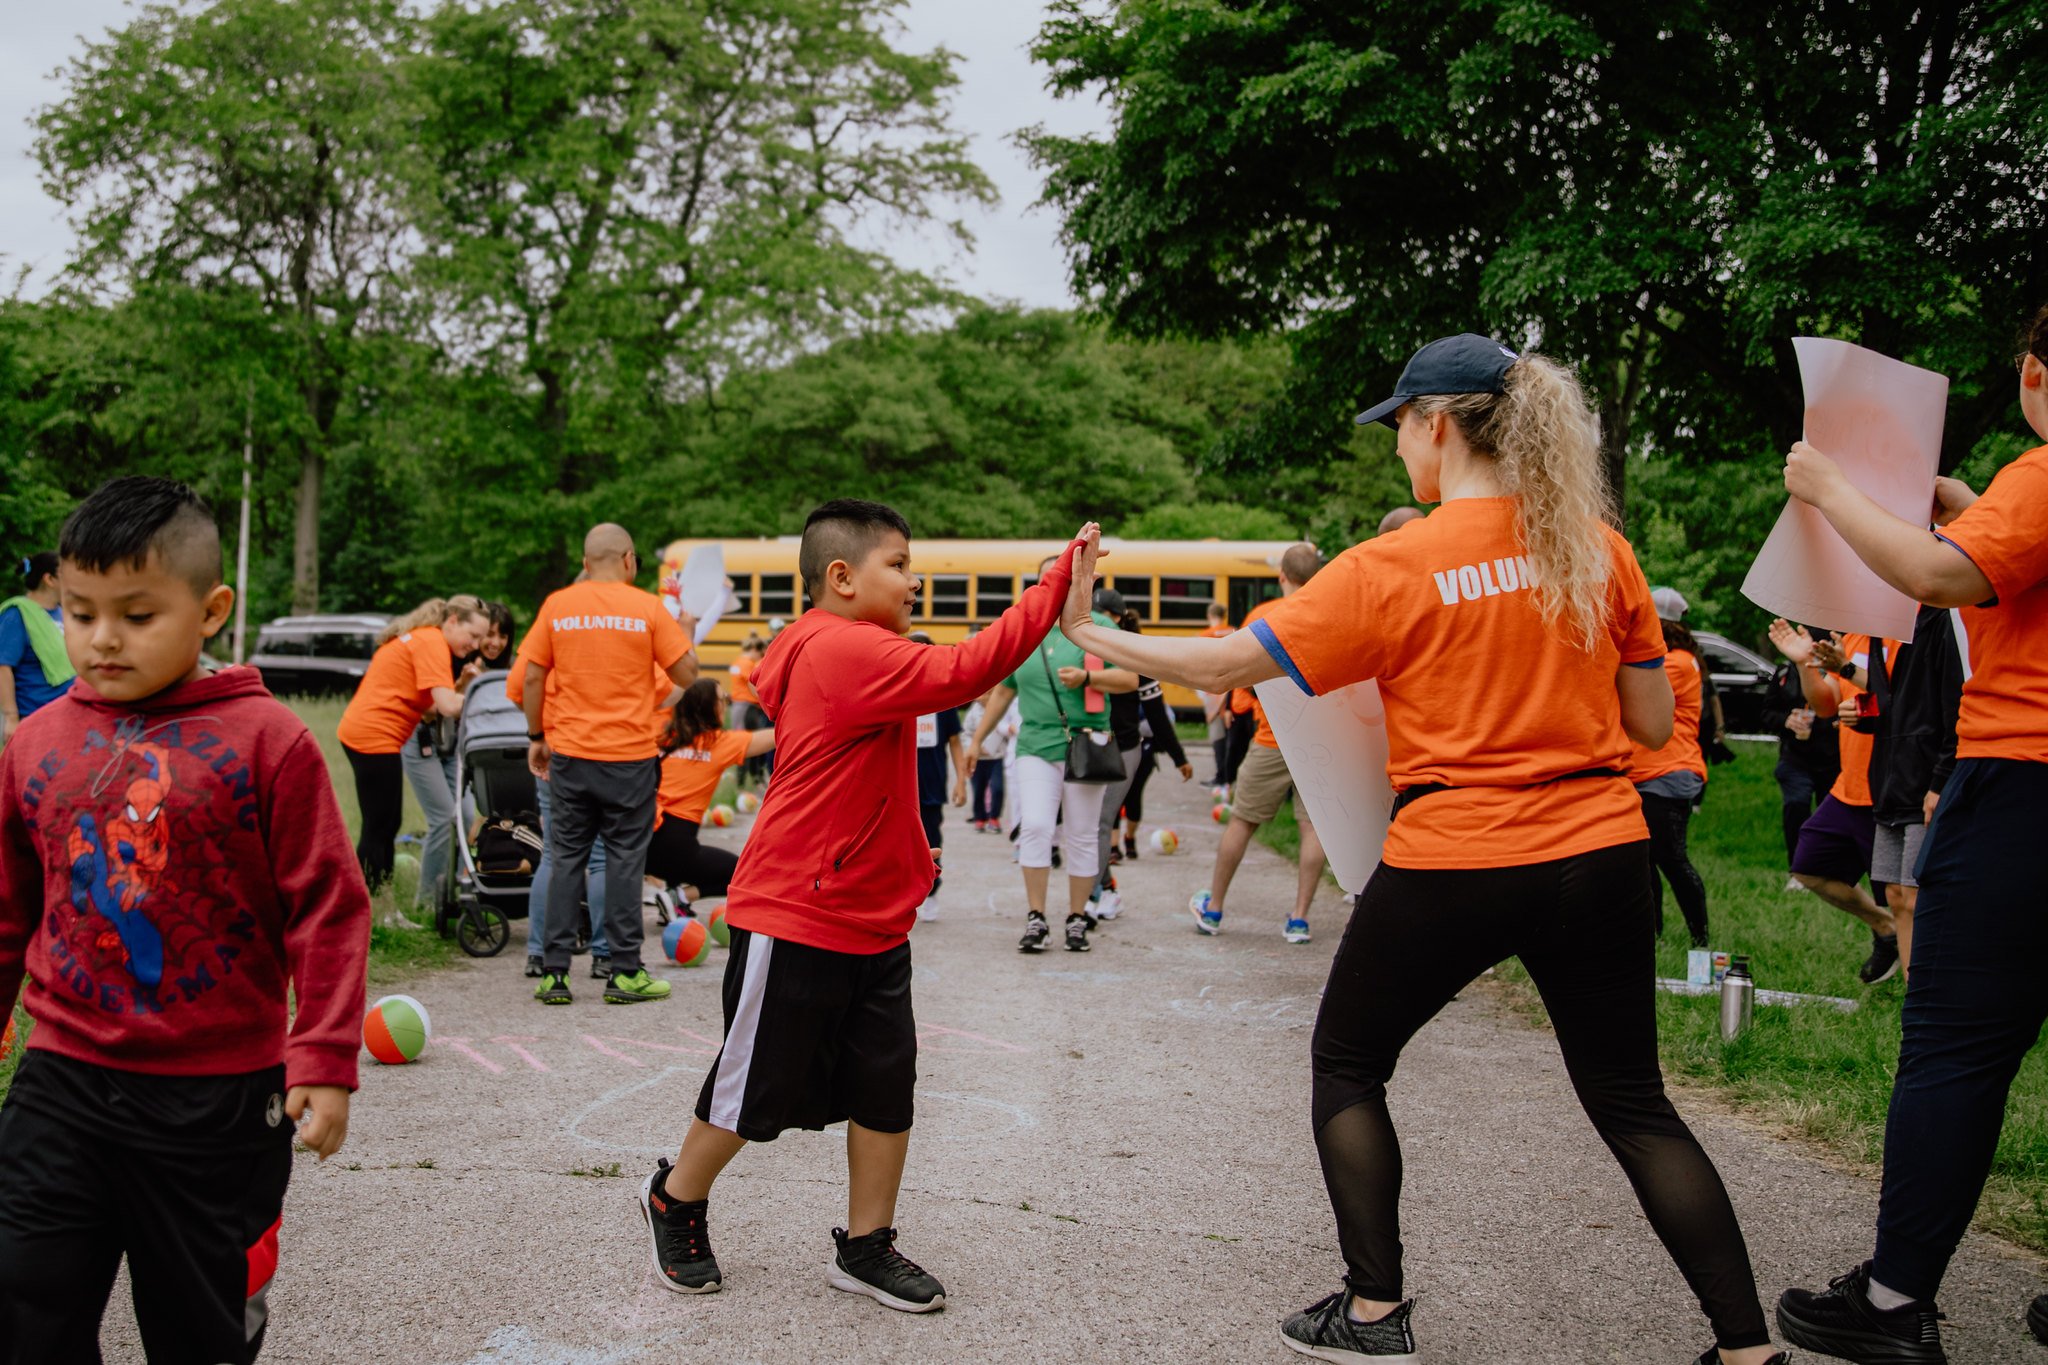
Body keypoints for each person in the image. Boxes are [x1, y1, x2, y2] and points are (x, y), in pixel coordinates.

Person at [1056, 335, 1786, 1365]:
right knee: (1631, 1102)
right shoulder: (1595, 550)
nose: (1398, 447)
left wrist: (1088, 633)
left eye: (1397, 426)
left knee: (1348, 1063)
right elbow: (1645, 717)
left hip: (1457, 852)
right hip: (1598, 850)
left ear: (1434, 424)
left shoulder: (1390, 567)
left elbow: (1223, 662)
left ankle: (1370, 1310)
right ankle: (1747, 1350)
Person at [635, 501, 1097, 1313]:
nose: (913, 581)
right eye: (899, 565)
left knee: (887, 1086)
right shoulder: (839, 645)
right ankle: (676, 1197)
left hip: (872, 914)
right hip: (796, 911)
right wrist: (1053, 581)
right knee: (752, 1089)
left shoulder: (850, 645)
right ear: (841, 578)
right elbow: (967, 668)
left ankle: (867, 1246)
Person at [0, 476, 370, 1364]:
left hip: (216, 1102)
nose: (102, 638)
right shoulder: (35, 742)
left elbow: (327, 903)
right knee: (24, 1310)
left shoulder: (268, 739)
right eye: (81, 613)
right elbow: (10, 905)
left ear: (210, 610)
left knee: (196, 1330)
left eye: (136, 613)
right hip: (62, 1079)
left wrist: (321, 1053)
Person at [1773, 304, 2048, 1362]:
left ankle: (1889, 1306)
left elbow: (1934, 577)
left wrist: (1829, 488)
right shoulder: (2019, 499)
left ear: (2032, 372)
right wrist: (1977, 508)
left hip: (2021, 786)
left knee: (1955, 1052)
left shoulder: (2041, 471)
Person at [524, 524, 696, 1007]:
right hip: (629, 759)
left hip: (572, 756)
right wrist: (683, 635)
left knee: (565, 858)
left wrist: (537, 737)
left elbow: (533, 675)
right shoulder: (646, 608)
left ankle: (553, 973)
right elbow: (687, 674)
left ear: (585, 562)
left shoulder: (558, 605)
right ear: (629, 560)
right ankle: (623, 972)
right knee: (623, 862)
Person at [966, 557, 1134, 954]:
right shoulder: (1028, 632)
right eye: (1049, 578)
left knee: (1081, 833)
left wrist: (1089, 678)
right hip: (1035, 746)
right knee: (1036, 826)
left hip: (1085, 746)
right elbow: (1004, 691)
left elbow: (1128, 679)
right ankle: (1036, 917)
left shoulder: (1100, 628)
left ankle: (1077, 918)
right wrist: (977, 741)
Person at [1188, 543, 1331, 945]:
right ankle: (1299, 919)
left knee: (1242, 820)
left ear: (1282, 576)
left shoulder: (1263, 616)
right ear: (1316, 574)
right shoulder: (1331, 609)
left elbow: (1240, 673)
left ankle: (1213, 908)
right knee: (1312, 827)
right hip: (1321, 741)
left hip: (1272, 737)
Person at [1770, 621, 1901, 983]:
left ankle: (1924, 996)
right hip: (1850, 788)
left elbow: (1904, 697)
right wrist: (1804, 664)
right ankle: (1884, 928)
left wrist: (1847, 671)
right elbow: (1826, 705)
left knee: (1907, 898)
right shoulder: (1855, 635)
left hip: (1897, 789)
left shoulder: (1909, 634)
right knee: (1808, 867)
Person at [336, 598, 489, 891]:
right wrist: (495, 695)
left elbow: (431, 708)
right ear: (453, 620)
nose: (476, 645)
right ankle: (371, 905)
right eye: (473, 636)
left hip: (371, 734)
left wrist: (463, 690)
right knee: (378, 828)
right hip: (374, 737)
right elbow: (446, 706)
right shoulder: (431, 643)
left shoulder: (425, 639)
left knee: (387, 825)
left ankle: (379, 903)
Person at [1856, 606, 1962, 981]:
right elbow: (1881, 704)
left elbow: (1955, 703)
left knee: (1918, 895)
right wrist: (1858, 712)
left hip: (1925, 779)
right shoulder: (1878, 624)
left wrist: (1940, 781)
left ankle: (1930, 989)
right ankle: (1910, 989)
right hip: (1887, 780)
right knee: (1895, 894)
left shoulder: (1938, 618)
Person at [647, 679, 775, 904]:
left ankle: (666, 886)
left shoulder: (661, 735)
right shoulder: (718, 744)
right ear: (708, 706)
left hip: (641, 839)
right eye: (722, 699)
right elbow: (776, 736)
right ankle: (679, 897)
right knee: (742, 874)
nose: (726, 703)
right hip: (677, 844)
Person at [1629, 608, 1712, 947]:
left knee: (1670, 857)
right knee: (1647, 859)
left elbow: (1630, 690)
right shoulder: (1680, 658)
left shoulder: (1676, 662)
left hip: (1668, 771)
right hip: (1648, 771)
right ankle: (1653, 933)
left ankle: (1701, 939)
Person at [1759, 625, 1841, 885]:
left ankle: (1829, 868)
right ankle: (1798, 870)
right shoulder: (1785, 672)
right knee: (1796, 806)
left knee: (1828, 814)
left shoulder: (1838, 671)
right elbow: (1767, 713)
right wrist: (1787, 721)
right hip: (1795, 759)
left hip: (1832, 757)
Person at [1118, 668, 1193, 860]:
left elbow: (1159, 719)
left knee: (1132, 794)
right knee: (1113, 797)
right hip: (1109, 744)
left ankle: (1129, 838)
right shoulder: (1095, 663)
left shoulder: (1140, 670)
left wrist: (1179, 758)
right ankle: (1112, 847)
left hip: (1142, 747)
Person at [0, 552, 73, 747]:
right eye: (66, 574)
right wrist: (11, 718)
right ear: (49, 579)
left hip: (66, 715)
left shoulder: (62, 613)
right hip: (35, 719)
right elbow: (3, 667)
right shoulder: (17, 614)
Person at [961, 685, 1011, 831]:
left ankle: (994, 817)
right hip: (979, 759)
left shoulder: (1001, 711)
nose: (985, 698)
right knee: (978, 790)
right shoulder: (973, 713)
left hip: (996, 757)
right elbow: (965, 733)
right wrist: (973, 746)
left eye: (989, 694)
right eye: (983, 695)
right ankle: (980, 817)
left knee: (998, 789)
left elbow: (1006, 732)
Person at [1196, 601, 1234, 784]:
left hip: (1214, 694)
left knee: (1217, 737)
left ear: (1209, 616)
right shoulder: (1233, 632)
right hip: (1233, 693)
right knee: (1231, 739)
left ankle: (1221, 776)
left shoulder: (1205, 636)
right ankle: (1229, 774)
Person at [729, 636, 772, 788]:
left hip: (739, 705)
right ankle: (749, 778)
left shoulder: (737, 662)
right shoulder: (747, 664)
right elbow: (756, 683)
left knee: (743, 740)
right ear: (754, 650)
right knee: (747, 742)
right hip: (747, 706)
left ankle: (747, 778)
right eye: (759, 654)